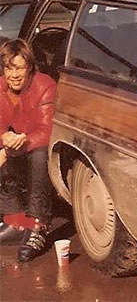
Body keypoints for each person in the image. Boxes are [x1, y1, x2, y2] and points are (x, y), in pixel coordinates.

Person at [0, 39, 57, 262]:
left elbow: (47, 131)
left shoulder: (45, 85)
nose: (14, 75)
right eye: (9, 68)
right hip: (18, 146)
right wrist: (4, 138)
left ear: (30, 68)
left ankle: (37, 224)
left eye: (20, 68)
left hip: (39, 150)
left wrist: (10, 149)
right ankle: (15, 220)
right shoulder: (0, 88)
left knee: (40, 155)